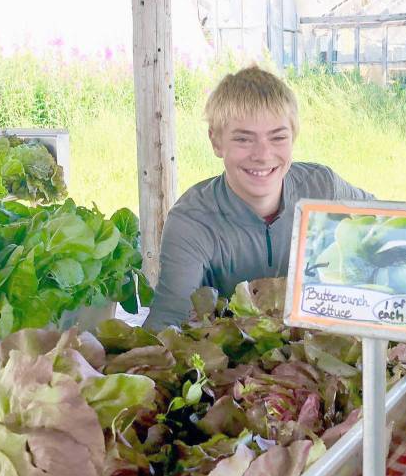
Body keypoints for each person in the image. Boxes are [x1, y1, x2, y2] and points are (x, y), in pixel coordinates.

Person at [144, 66, 374, 330]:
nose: (263, 155)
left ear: (293, 137)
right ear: (216, 142)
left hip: (322, 352)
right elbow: (168, 318)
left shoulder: (322, 187)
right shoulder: (192, 220)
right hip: (232, 366)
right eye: (243, 139)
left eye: (278, 137)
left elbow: (391, 222)